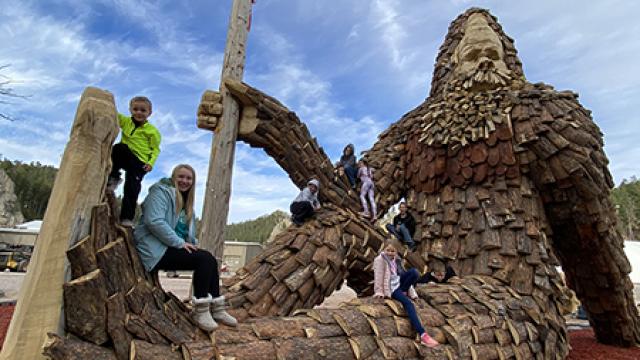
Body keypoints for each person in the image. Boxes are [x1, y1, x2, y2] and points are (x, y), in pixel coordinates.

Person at [133, 164, 236, 331]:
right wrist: (179, 243)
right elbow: (154, 221)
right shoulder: (160, 192)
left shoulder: (187, 204)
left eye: (189, 178)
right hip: (153, 249)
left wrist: (192, 245)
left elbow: (188, 234)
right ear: (173, 177)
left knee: (208, 259)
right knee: (203, 259)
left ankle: (216, 308)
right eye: (181, 176)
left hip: (168, 247)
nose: (184, 181)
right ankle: (200, 311)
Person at [107, 96, 161, 227]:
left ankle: (127, 218)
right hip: (127, 155)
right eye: (135, 109)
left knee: (132, 187)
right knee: (118, 148)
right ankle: (113, 177)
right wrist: (108, 100)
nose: (139, 113)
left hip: (140, 163)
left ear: (149, 113)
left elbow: (155, 149)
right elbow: (113, 114)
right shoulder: (126, 122)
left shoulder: (152, 131)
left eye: (143, 110)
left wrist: (151, 163)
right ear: (130, 110)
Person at [373, 243, 439, 347]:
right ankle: (423, 335)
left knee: (414, 272)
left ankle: (403, 292)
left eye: (392, 251)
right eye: (388, 250)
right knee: (409, 304)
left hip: (399, 284)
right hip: (391, 288)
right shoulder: (379, 260)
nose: (390, 253)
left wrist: (413, 294)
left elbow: (403, 276)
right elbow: (378, 277)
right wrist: (379, 292)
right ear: (384, 250)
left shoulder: (397, 260)